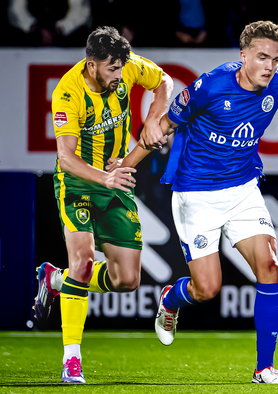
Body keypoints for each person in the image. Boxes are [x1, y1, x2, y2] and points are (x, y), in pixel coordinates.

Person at [117, 20, 278, 384]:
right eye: (262, 57)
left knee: (269, 267)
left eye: (276, 59)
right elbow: (162, 128)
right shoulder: (209, 86)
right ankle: (172, 300)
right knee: (207, 289)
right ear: (243, 55)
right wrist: (122, 170)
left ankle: (264, 368)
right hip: (196, 195)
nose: (270, 65)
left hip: (243, 190)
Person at [33, 26, 173, 383]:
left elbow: (164, 82)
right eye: (111, 69)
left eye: (121, 69)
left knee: (127, 279)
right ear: (92, 64)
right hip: (78, 182)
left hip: (116, 178)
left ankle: (55, 279)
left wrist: (155, 116)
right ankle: (71, 359)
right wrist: (106, 176)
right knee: (82, 263)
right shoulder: (68, 92)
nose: (118, 75)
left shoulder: (124, 66)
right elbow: (65, 158)